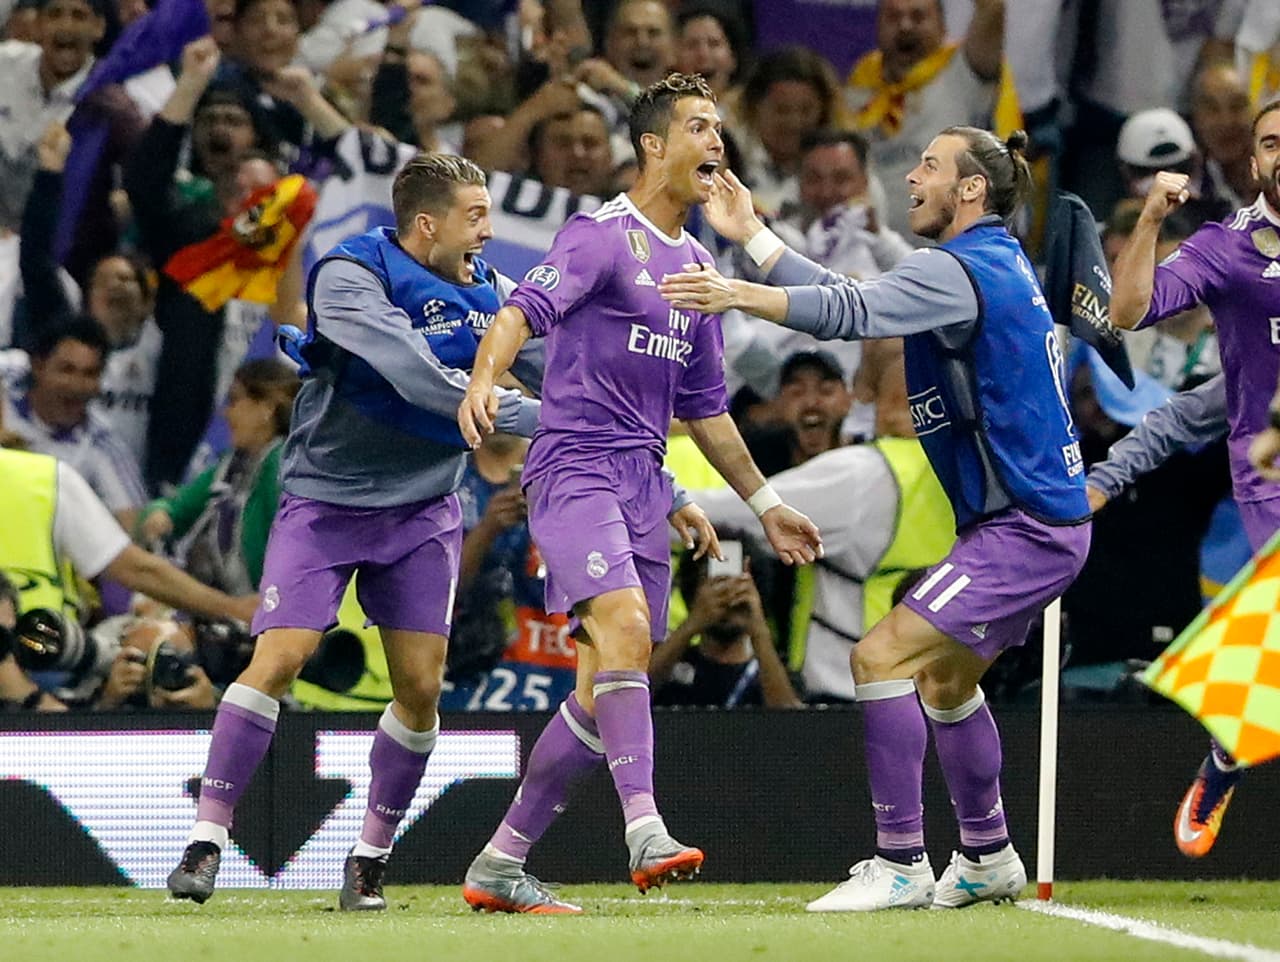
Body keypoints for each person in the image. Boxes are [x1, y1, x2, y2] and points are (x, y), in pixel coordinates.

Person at [659, 124, 1091, 910]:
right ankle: (988, 853)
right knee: (943, 679)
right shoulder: (986, 262)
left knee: (878, 658)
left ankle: (899, 862)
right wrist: (752, 235)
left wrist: (737, 291)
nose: (911, 178)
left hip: (1026, 526)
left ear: (970, 190)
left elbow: (847, 311)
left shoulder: (965, 267)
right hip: (1027, 523)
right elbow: (846, 290)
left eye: (928, 165)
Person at [456, 72, 822, 914]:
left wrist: (762, 505)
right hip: (573, 463)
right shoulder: (598, 236)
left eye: (721, 128)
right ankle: (645, 826)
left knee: (601, 689)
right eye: (700, 127)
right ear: (654, 145)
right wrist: (485, 378)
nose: (718, 143)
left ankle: (500, 862)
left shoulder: (698, 269)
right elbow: (518, 316)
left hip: (643, 482)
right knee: (624, 629)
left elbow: (705, 412)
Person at [163, 152, 545, 912]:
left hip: (424, 507)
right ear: (426, 224)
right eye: (475, 216)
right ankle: (206, 841)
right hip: (326, 503)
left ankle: (368, 859)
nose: (489, 231)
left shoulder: (496, 293)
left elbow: (561, 359)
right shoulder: (349, 275)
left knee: (420, 688)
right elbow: (412, 377)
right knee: (281, 657)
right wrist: (557, 419)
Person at [1110, 98, 1280, 860]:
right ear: (1253, 165)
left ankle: (1230, 743)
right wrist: (1148, 220)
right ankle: (1225, 756)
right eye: (1272, 144)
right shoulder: (1225, 246)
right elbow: (1128, 310)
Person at [135, 359, 300, 595]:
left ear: (266, 408)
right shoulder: (231, 465)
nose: (225, 413)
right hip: (227, 603)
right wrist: (160, 515)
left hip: (264, 606)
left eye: (234, 401)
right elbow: (177, 507)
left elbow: (291, 553)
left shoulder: (282, 466)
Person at [651, 539, 802, 709]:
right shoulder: (671, 664)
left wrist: (758, 629)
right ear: (693, 591)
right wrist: (692, 624)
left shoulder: (774, 670)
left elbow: (793, 723)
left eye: (739, 583)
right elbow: (631, 698)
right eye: (715, 583)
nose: (727, 594)